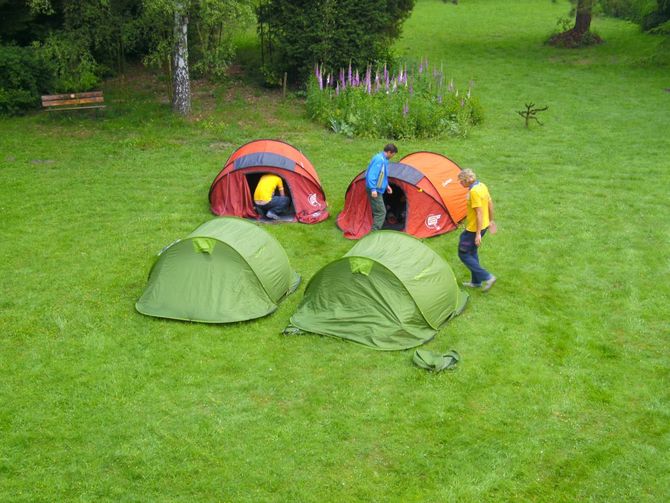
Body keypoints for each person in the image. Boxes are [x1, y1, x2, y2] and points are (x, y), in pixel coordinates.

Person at [457, 168, 497, 291]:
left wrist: (478, 234)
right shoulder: (482, 186)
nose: (460, 183)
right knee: (472, 252)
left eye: (460, 181)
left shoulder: (474, 192)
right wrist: (491, 220)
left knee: (463, 253)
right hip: (484, 225)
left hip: (474, 229)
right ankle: (476, 282)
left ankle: (487, 277)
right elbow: (490, 203)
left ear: (466, 180)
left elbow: (479, 213)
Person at [365, 143, 398, 231]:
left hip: (379, 188)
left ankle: (375, 229)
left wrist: (387, 186)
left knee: (378, 210)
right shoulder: (379, 160)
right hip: (375, 189)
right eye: (393, 154)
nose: (393, 156)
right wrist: (373, 189)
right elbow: (372, 175)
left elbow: (382, 175)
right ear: (389, 152)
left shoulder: (384, 160)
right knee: (381, 212)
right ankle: (374, 231)